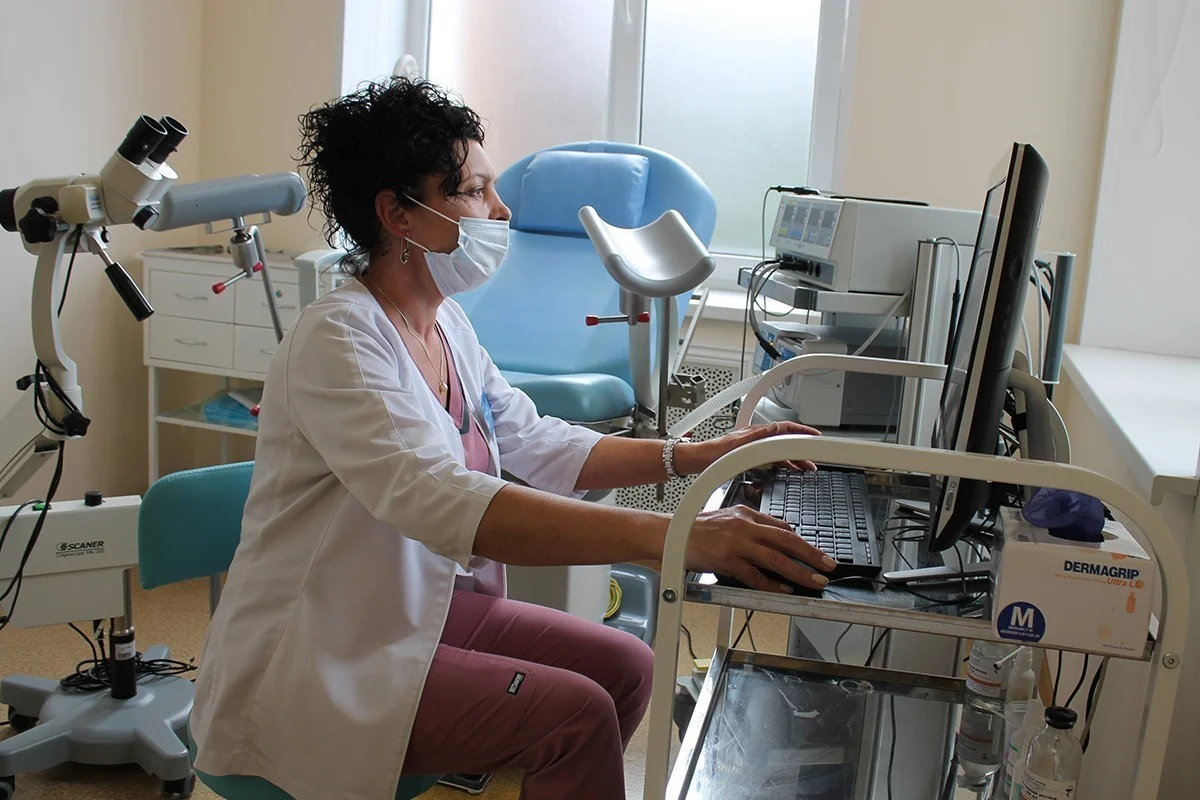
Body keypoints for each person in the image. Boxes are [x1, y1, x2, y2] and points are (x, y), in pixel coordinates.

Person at [188, 77, 833, 800]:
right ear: (397, 214)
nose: (501, 211)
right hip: (322, 649)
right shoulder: (338, 340)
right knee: (576, 717)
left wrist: (696, 457)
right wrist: (678, 537)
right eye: (474, 192)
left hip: (413, 611)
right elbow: (443, 500)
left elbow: (535, 439)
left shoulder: (446, 324)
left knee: (628, 666)